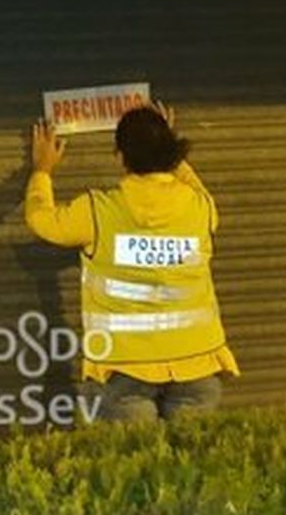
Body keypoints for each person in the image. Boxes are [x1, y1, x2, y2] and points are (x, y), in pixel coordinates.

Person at [25, 103, 238, 422]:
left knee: (135, 467)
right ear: (171, 150)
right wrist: (163, 139)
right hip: (197, 366)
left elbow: (42, 221)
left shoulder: (98, 211)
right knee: (191, 467)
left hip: (124, 371)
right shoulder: (201, 207)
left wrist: (42, 170)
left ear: (120, 155)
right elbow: (189, 180)